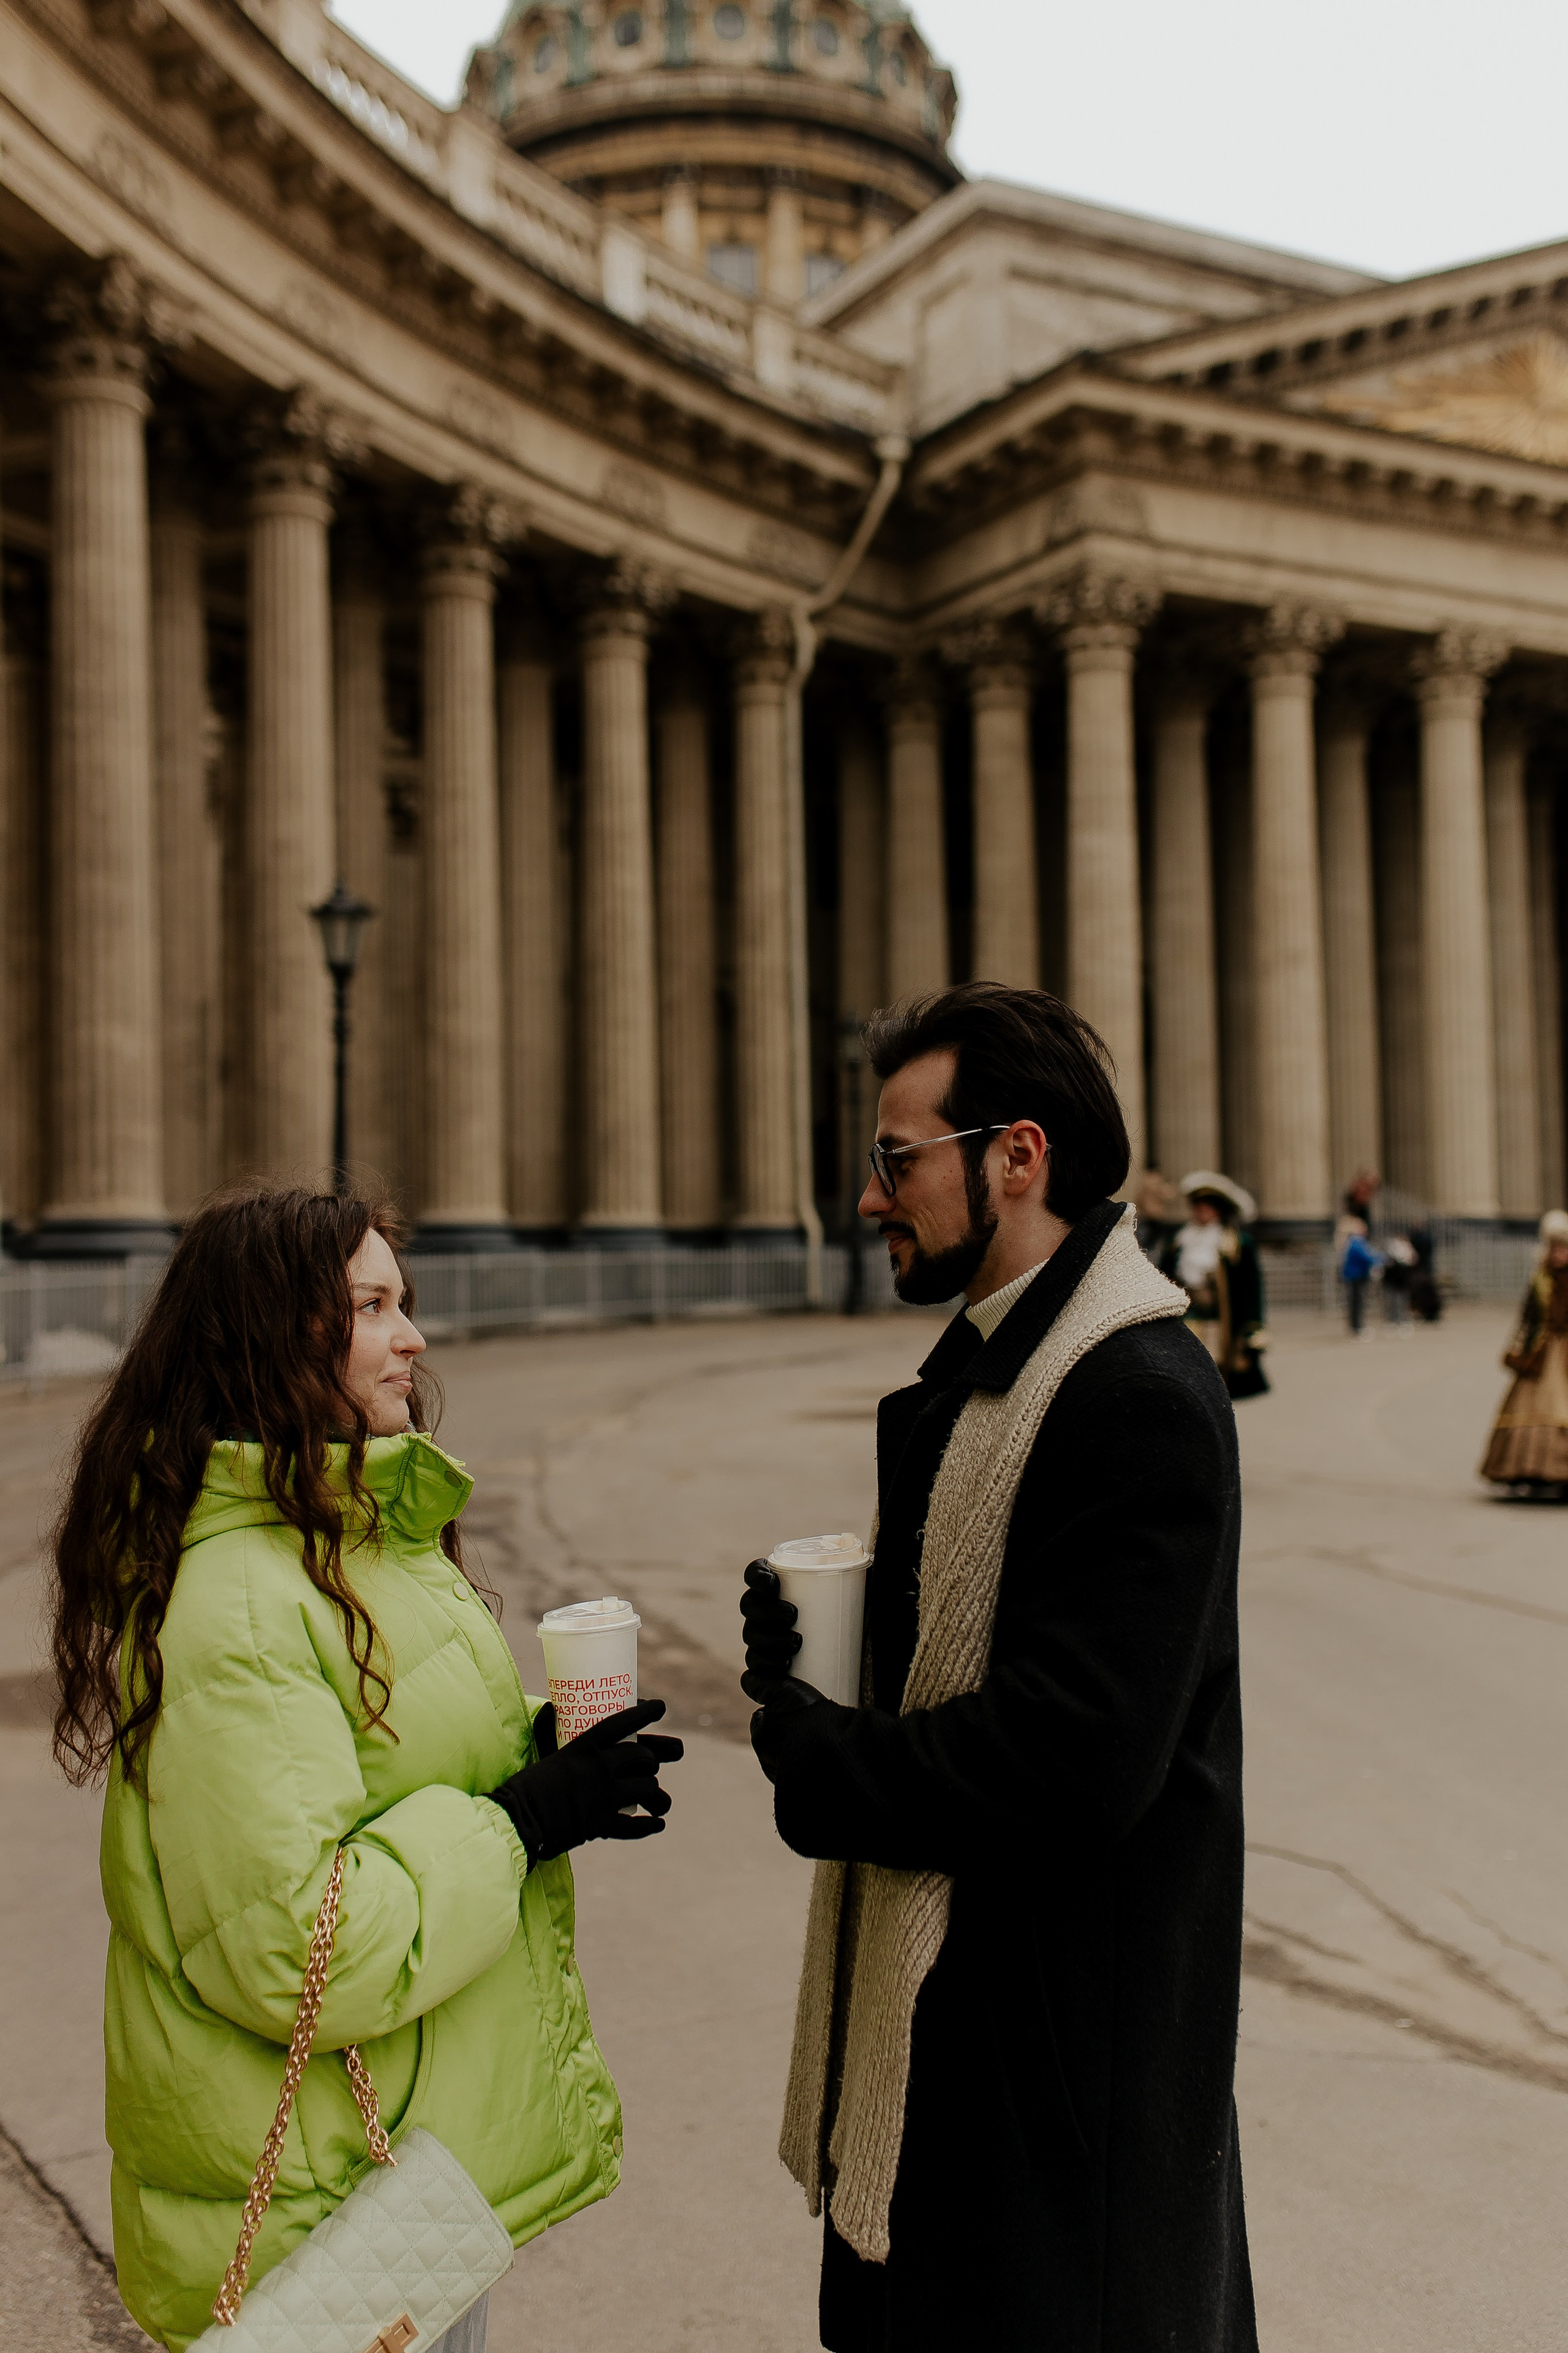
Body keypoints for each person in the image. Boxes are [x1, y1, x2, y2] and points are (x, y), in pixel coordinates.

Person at [47, 1185, 682, 2353]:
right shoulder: (245, 1600)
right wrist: (520, 1823)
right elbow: (299, 1947)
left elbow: (386, 1758)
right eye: (374, 1307)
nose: (414, 1337)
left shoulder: (339, 1530)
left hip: (386, 2173)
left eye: (405, 1301)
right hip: (323, 2218)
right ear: (276, 1336)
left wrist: (540, 1752)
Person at [739, 983, 1257, 2353]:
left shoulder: (1132, 1395)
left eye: (896, 1157)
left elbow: (1070, 1761)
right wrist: (821, 1655)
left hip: (1058, 2107)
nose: (871, 1197)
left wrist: (826, 1763)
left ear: (1015, 1156)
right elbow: (971, 1654)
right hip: (965, 2073)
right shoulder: (992, 1372)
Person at [1158, 1169, 1270, 1399]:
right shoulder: (1179, 1241)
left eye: (1206, 1206)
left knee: (1215, 1373)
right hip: (1186, 1319)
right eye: (1197, 1206)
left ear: (1218, 1210)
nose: (1200, 1210)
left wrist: (1253, 1327)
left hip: (1220, 1324)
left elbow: (1251, 1289)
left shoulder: (1236, 1243)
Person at [1480, 1209, 1568, 1497]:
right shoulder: (1540, 1279)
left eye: (1563, 1248)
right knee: (1532, 1405)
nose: (1558, 1254)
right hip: (1543, 1351)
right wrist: (1519, 1348)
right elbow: (1528, 1318)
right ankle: (1531, 1471)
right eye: (1554, 1248)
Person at [1338, 1215, 1384, 1336]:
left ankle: (1356, 1327)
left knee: (1356, 1302)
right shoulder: (1356, 1241)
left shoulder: (1354, 1241)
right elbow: (1367, 1256)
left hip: (1356, 1275)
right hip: (1356, 1276)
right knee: (1358, 1303)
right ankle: (1357, 1327)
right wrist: (1383, 1259)